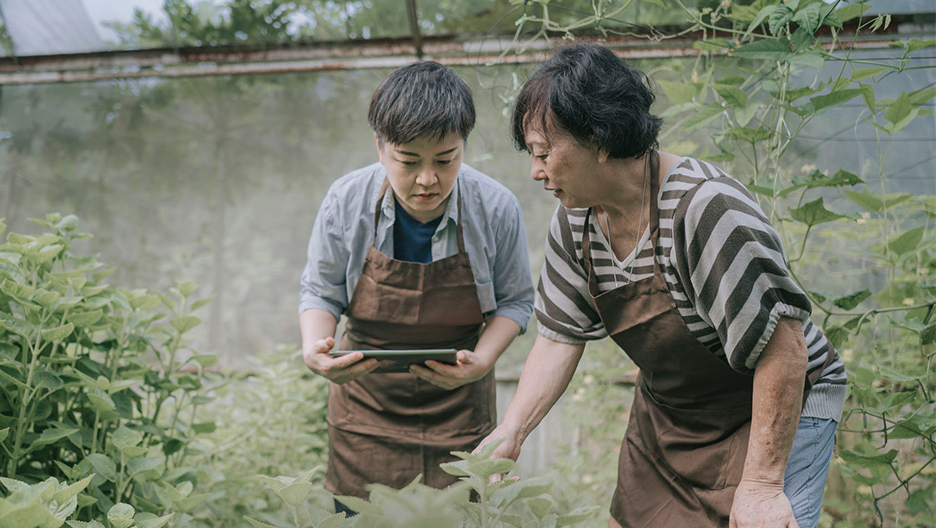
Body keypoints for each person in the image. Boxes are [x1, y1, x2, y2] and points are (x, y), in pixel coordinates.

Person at [478, 44, 847, 528]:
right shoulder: (576, 221)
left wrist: (759, 487)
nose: (535, 171)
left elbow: (785, 352)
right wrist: (513, 429)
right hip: (674, 417)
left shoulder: (705, 211)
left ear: (600, 139)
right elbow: (558, 334)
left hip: (778, 404)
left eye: (544, 152)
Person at [298, 61, 535, 514]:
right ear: (380, 148)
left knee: (458, 518)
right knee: (360, 519)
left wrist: (483, 359)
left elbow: (516, 301)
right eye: (409, 162)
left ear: (464, 146)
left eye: (446, 160)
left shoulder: (496, 207)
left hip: (460, 407)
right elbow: (321, 291)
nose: (428, 179)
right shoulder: (345, 201)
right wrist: (314, 347)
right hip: (365, 412)